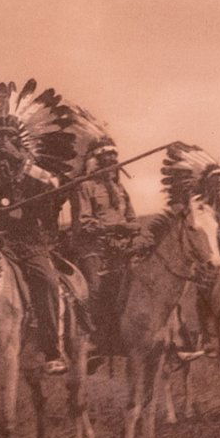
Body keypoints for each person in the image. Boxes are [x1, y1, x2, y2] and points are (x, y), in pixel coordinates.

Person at [70, 139, 138, 337]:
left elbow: (132, 218)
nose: (112, 160)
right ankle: (87, 336)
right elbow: (84, 223)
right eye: (107, 157)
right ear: (96, 160)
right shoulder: (85, 187)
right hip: (93, 248)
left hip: (121, 246)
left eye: (114, 156)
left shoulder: (120, 189)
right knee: (95, 288)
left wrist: (132, 228)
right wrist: (114, 227)